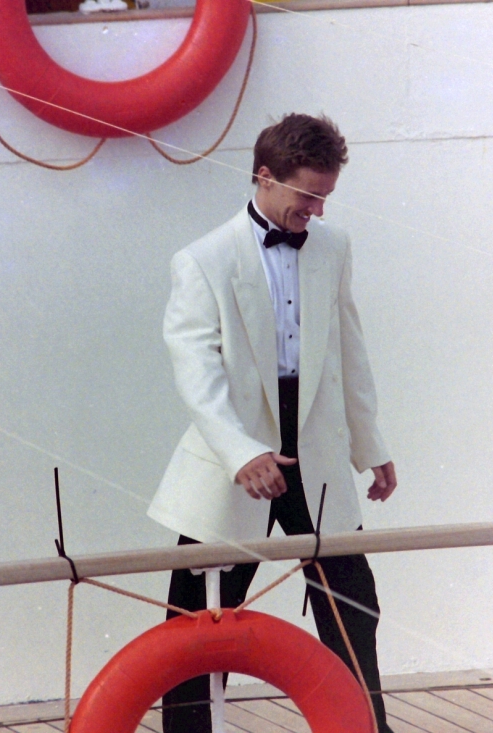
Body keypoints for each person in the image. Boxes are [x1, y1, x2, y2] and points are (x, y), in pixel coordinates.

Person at [148, 113, 398, 733]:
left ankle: (368, 730)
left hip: (318, 455)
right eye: (308, 195)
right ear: (264, 176)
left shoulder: (334, 247)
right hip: (234, 461)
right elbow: (196, 375)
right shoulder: (202, 260)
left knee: (353, 607)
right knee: (197, 621)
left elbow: (349, 353)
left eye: (326, 197)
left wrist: (370, 446)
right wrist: (241, 454)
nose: (317, 210)